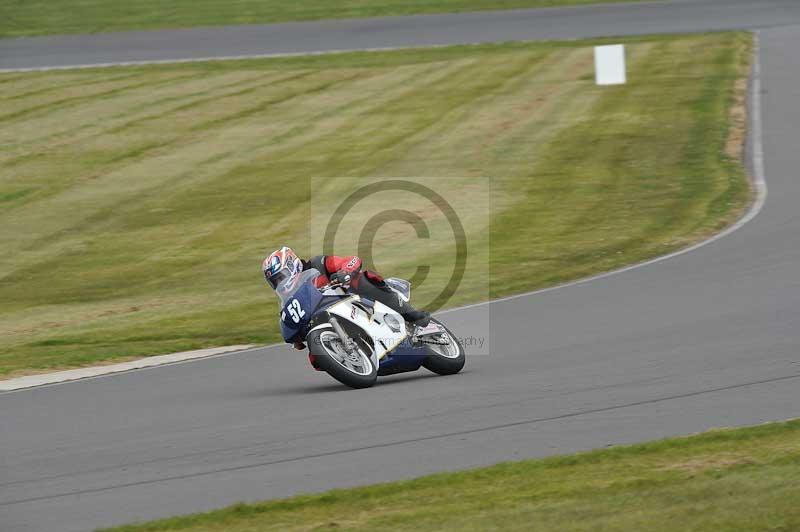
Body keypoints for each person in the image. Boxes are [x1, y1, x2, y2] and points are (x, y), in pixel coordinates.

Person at [262, 246, 431, 350]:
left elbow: (352, 260)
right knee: (315, 358)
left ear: (292, 264)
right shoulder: (290, 300)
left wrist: (345, 272)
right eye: (275, 281)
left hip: (355, 299)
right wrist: (296, 335)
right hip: (330, 320)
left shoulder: (318, 264)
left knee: (364, 278)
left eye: (281, 276)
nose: (280, 282)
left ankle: (412, 315)